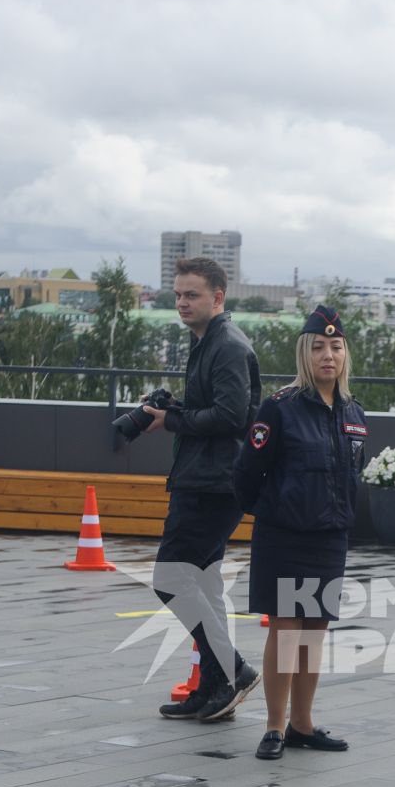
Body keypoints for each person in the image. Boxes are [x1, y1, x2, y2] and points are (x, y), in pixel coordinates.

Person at [234, 305, 364, 762]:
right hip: (285, 535)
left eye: (335, 346)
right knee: (287, 632)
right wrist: (275, 511)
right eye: (317, 347)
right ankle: (274, 726)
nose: (327, 355)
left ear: (345, 353)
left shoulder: (352, 411)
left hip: (330, 537)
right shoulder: (282, 407)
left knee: (314, 633)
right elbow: (248, 472)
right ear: (303, 355)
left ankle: (303, 725)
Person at [151, 256, 262, 723]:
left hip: (214, 485)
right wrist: (173, 408)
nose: (182, 302)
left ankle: (231, 672)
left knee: (169, 579)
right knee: (203, 583)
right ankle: (214, 684)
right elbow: (215, 407)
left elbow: (233, 417)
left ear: (218, 297)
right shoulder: (206, 342)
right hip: (204, 478)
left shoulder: (228, 345)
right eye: (178, 294)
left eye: (191, 294)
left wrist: (171, 419)